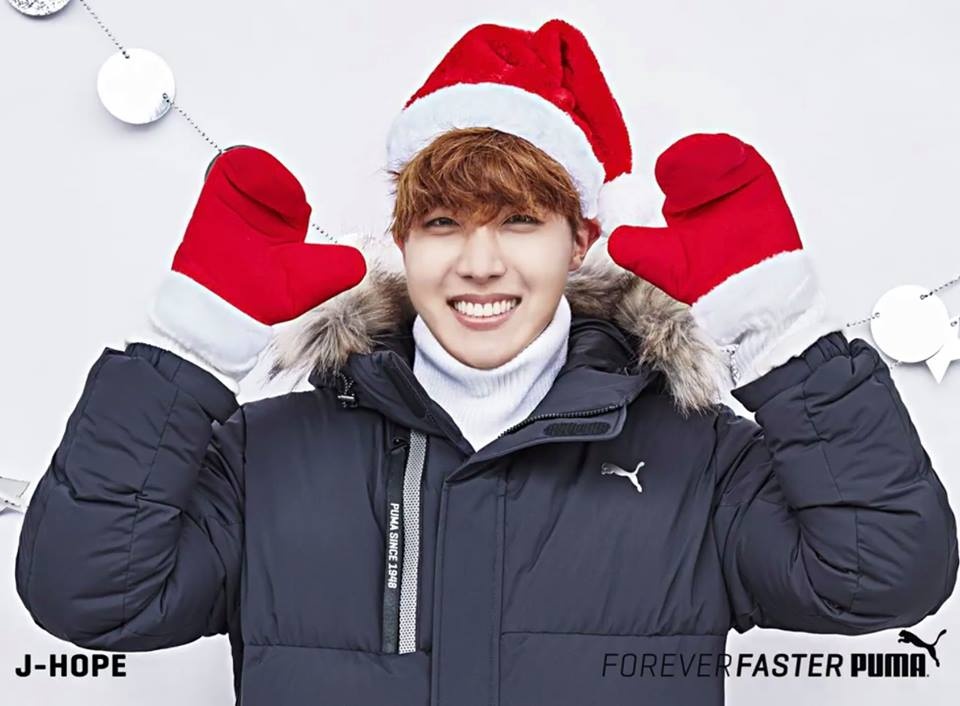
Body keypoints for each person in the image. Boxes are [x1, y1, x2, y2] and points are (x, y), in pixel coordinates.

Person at [15, 17, 958, 706]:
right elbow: (87, 595)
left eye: (518, 220)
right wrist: (186, 350)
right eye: (441, 223)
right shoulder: (269, 451)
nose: (478, 262)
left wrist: (779, 335)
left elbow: (887, 573)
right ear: (402, 240)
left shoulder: (698, 457)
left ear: (579, 239)